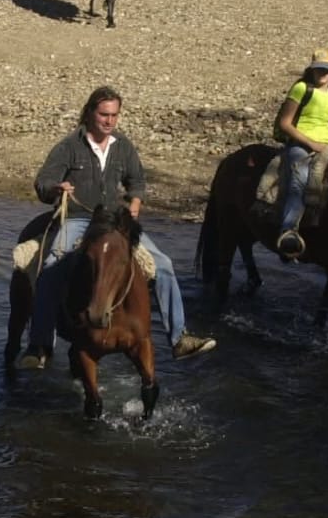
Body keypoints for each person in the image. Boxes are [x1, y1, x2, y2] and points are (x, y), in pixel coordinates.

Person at [22, 86, 215, 368]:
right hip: (78, 219)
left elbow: (136, 179)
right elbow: (42, 183)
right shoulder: (69, 147)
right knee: (52, 267)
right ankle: (39, 345)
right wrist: (56, 187)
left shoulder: (122, 146)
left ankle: (179, 338)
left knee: (163, 264)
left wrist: (135, 201)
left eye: (114, 115)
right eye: (103, 114)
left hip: (114, 223)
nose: (109, 121)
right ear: (90, 113)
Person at [273, 48, 328, 259]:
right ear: (312, 70)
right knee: (300, 181)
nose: (322, 73)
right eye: (319, 69)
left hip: (326, 145)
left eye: (327, 70)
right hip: (300, 142)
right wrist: (311, 143)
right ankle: (288, 231)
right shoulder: (301, 89)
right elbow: (285, 123)